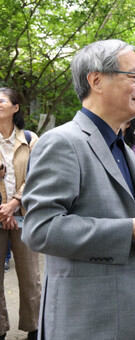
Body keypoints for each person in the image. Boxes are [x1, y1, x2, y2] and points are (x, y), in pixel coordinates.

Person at [21, 39, 135, 340]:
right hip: (90, 321)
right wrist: (130, 231)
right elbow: (39, 228)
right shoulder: (63, 142)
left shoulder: (119, 144)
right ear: (96, 80)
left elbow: (112, 211)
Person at [0, 87, 40, 340]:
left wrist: (14, 202)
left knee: (30, 278)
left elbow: (38, 175)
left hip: (24, 215)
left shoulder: (30, 138)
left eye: (2, 100)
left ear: (15, 108)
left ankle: (34, 329)